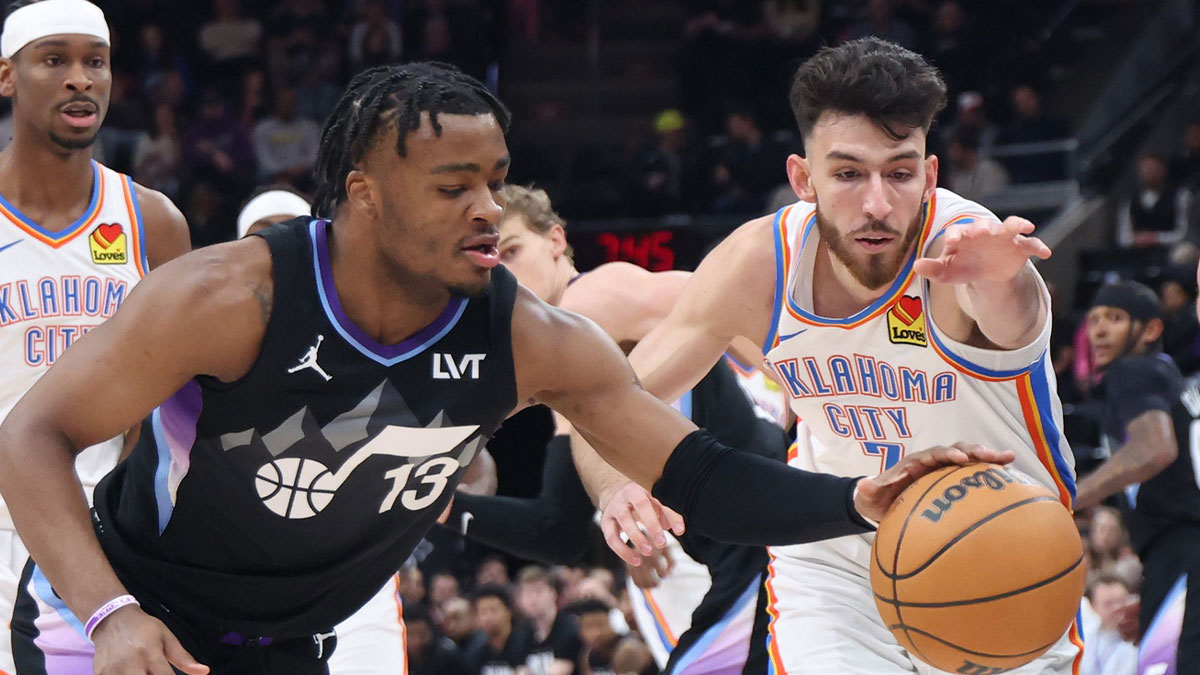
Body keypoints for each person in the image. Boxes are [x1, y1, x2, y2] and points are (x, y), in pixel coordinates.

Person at [0, 61, 1006, 675]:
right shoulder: (231, 299)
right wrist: (111, 614)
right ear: (366, 197)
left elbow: (698, 475)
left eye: (492, 181)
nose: (487, 208)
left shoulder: (525, 337)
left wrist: (856, 499)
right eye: (453, 187)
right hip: (112, 628)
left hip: (279, 645)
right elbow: (32, 435)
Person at [574, 37, 1081, 673]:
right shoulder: (757, 263)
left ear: (928, 175)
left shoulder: (969, 253)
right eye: (847, 174)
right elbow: (610, 401)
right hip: (834, 563)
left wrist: (1006, 281)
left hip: (1000, 552)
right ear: (802, 178)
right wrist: (614, 482)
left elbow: (1013, 318)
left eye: (899, 173)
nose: (876, 203)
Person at [442, 184, 789, 673]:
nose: (504, 270)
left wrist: (801, 389)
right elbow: (557, 529)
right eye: (490, 257)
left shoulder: (594, 294)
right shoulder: (564, 362)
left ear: (557, 241)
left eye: (514, 249)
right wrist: (449, 510)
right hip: (719, 545)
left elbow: (735, 302)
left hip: (757, 518)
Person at [0, 0, 191, 671]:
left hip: (101, 538)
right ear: (7, 77)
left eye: (96, 62)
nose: (81, 78)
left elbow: (174, 406)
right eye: (55, 60)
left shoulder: (152, 222)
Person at [233, 189, 409, 675]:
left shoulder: (381, 336)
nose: (277, 244)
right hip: (241, 582)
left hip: (354, 580)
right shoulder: (213, 341)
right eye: (261, 235)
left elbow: (472, 464)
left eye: (289, 228)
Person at [1073, 280, 1200, 673]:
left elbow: (1155, 449)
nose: (1099, 330)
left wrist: (1065, 497)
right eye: (1094, 319)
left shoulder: (1133, 370)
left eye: (1115, 318)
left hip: (1183, 547)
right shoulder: (1168, 376)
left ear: (1151, 330)